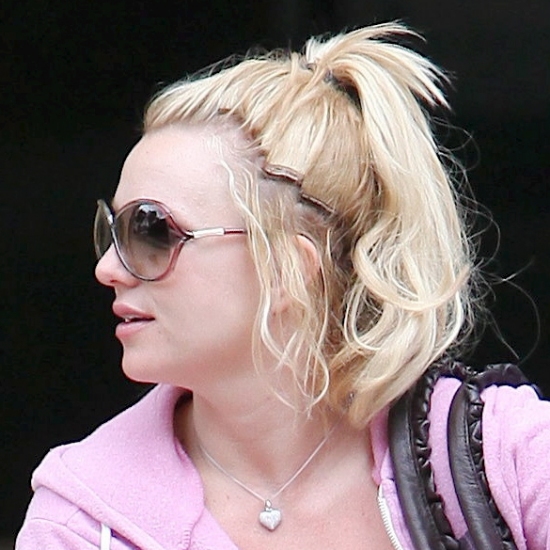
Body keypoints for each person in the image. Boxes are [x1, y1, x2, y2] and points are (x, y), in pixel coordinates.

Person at [16, 22, 550, 550]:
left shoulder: (505, 456)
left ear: (287, 266)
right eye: (112, 230)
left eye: (151, 229)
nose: (108, 268)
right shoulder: (81, 524)